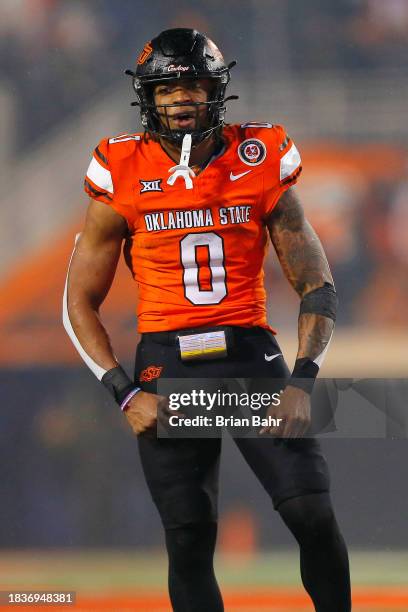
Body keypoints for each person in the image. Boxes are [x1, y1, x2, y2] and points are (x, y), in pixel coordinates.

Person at [63, 28, 351, 612]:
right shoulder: (121, 168)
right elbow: (77, 302)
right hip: (166, 367)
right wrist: (121, 393)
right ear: (148, 97)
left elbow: (316, 283)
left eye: (193, 84)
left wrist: (303, 380)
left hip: (250, 358)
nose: (181, 99)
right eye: (167, 88)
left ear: (216, 89)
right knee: (189, 536)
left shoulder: (259, 154)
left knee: (311, 511)